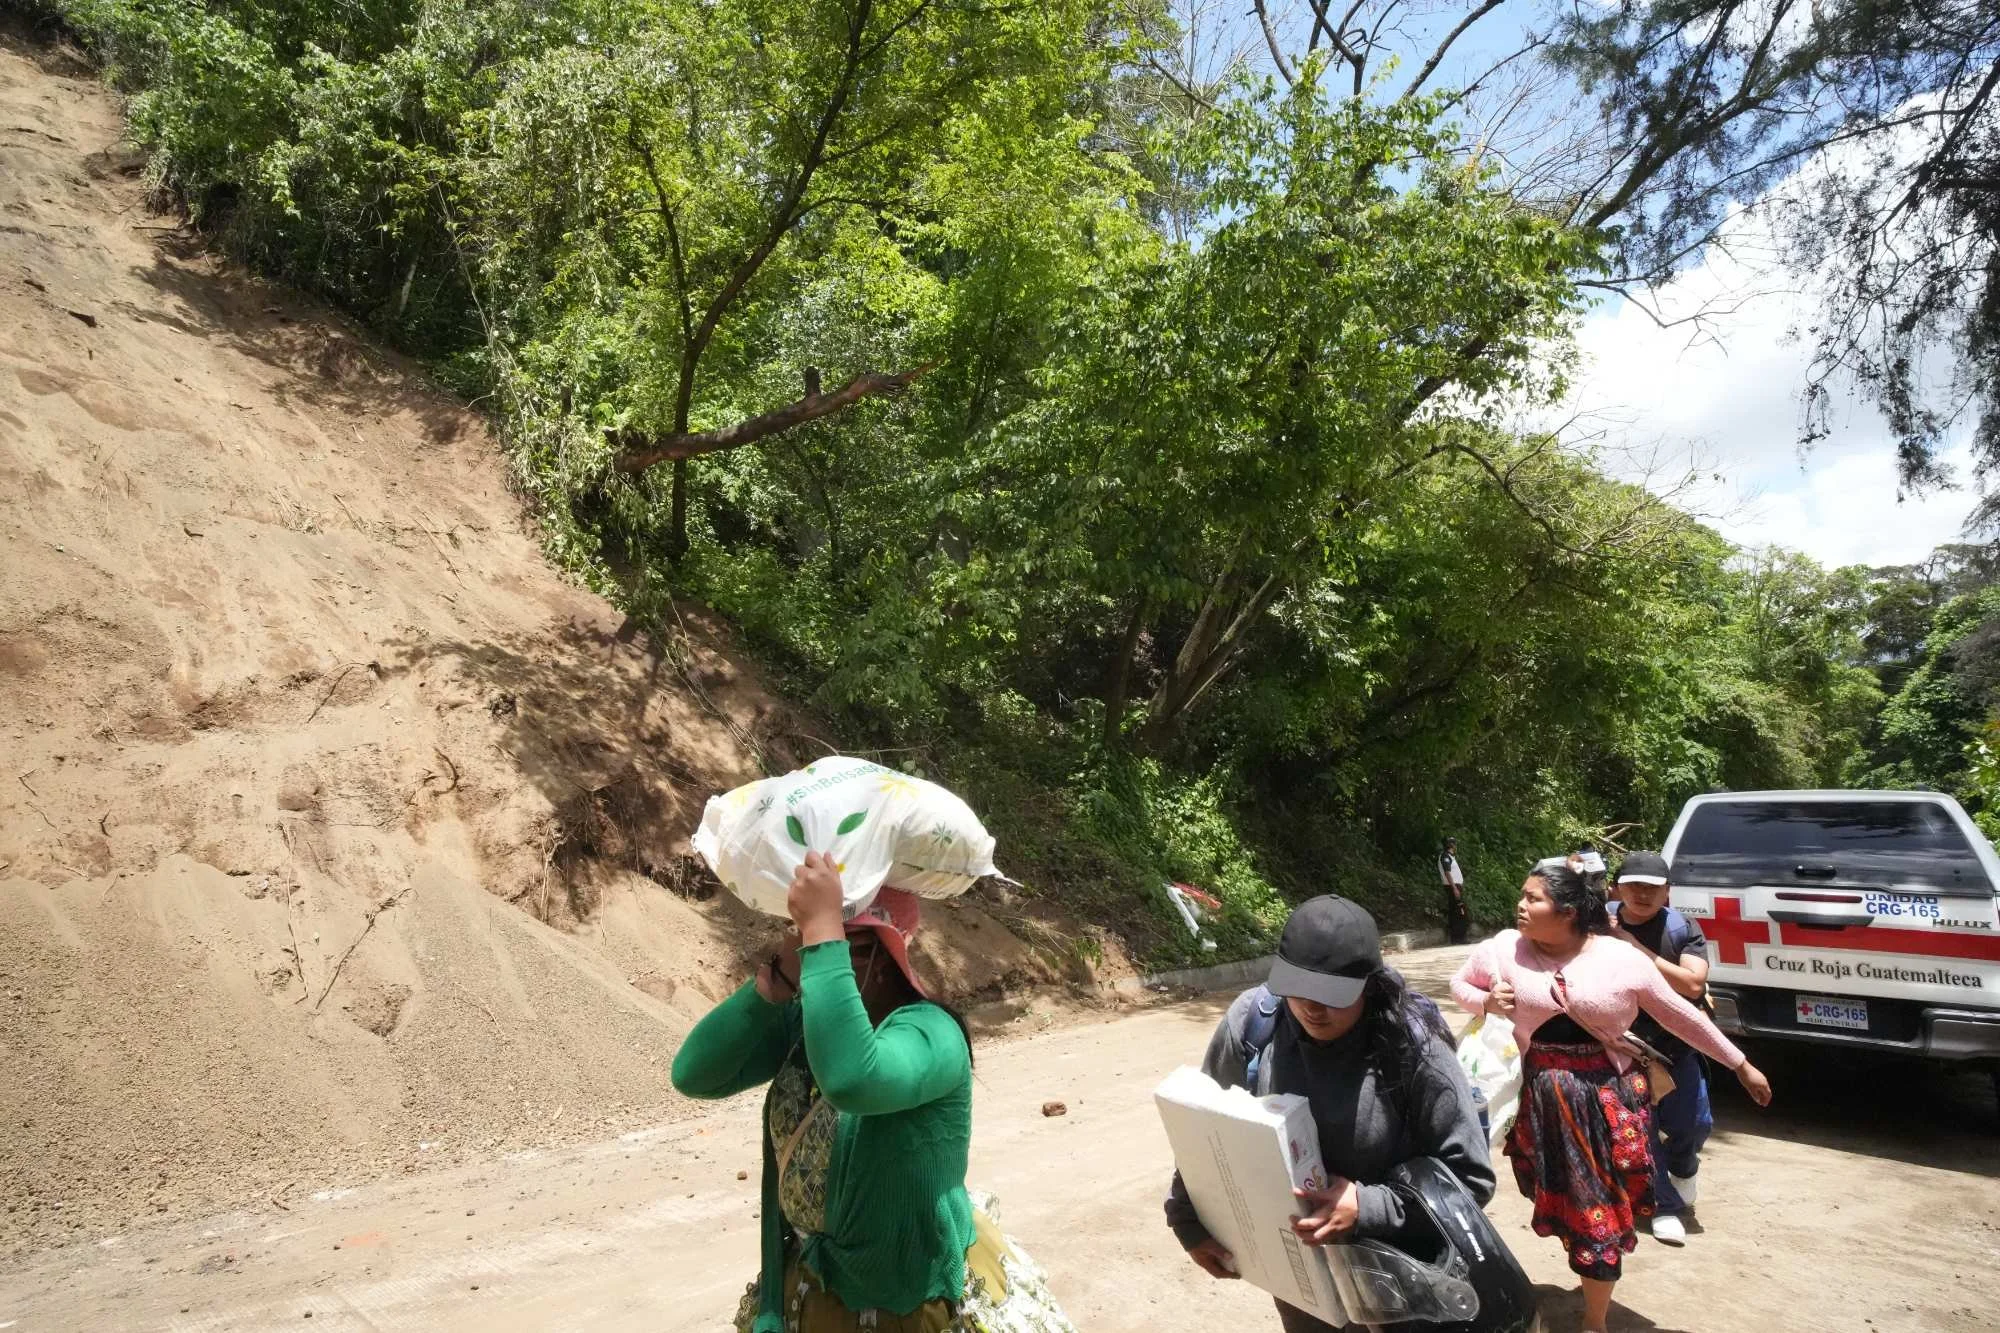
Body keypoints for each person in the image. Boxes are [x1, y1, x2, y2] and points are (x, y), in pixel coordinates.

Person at [672, 852, 1075, 1333]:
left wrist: (824, 932)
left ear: (885, 958)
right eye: (806, 941)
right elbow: (694, 1074)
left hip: (900, 1305)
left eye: (846, 946)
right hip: (811, 1292)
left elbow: (852, 1081)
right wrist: (775, 980)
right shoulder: (806, 1024)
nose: (815, 954)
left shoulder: (931, 1033)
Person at [1450, 862, 1772, 1333]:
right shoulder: (1502, 950)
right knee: (1564, 1201)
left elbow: (1682, 1016)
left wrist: (1739, 1064)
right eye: (1522, 895)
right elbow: (1461, 984)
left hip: (1606, 1100)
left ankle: (1595, 1320)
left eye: (1533, 899)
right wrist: (1485, 1003)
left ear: (1569, 912)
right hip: (1541, 1104)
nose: (1520, 905)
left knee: (1597, 1210)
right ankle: (1589, 1273)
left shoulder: (1621, 960)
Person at [1166, 895, 1496, 1333]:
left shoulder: (1415, 1048)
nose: (1310, 1008)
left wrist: (1368, 1205)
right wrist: (1187, 1221)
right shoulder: (1254, 1022)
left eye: (1331, 995)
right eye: (1297, 989)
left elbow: (1470, 1179)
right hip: (1303, 1284)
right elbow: (1204, 1126)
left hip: (1400, 1284)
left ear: (1370, 984)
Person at [1609, 850, 1711, 1246]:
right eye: (1633, 885)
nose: (1642, 894)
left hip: (1677, 1046)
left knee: (1694, 1124)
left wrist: (1635, 948)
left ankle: (1684, 1167)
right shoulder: (1597, 924)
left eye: (1652, 887)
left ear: (1668, 892)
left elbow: (1692, 984)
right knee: (1642, 1132)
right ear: (1617, 887)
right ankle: (1663, 1207)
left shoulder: (1682, 928)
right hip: (1624, 1048)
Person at [1438, 838, 1470, 944]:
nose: (1455, 846)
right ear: (1452, 845)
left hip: (1456, 887)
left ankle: (1458, 937)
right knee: (1459, 912)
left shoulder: (1450, 857)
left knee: (1458, 911)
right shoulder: (1445, 857)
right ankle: (1458, 938)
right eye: (1454, 844)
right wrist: (1454, 888)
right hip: (1453, 888)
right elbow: (1447, 872)